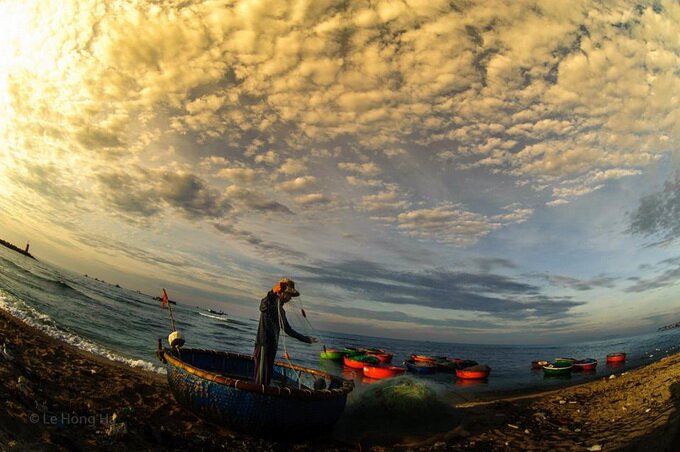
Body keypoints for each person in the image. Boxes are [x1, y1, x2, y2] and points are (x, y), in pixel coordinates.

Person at [253, 278, 317, 386]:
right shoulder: (270, 303)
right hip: (263, 345)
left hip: (272, 347)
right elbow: (262, 305)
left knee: (266, 377)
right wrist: (273, 291)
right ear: (282, 292)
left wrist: (306, 339)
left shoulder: (281, 311)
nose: (290, 298)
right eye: (289, 295)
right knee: (260, 379)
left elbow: (288, 330)